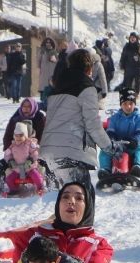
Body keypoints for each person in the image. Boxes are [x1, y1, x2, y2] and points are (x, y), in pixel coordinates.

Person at [40, 49, 117, 193]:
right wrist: (109, 147)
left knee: (65, 205)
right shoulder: (86, 87)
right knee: (84, 201)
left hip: (49, 151)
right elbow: (93, 124)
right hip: (72, 152)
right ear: (89, 68)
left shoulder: (58, 86)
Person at [100, 89, 140, 178]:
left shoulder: (139, 118)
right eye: (125, 104)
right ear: (121, 105)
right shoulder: (114, 118)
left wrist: (135, 140)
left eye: (131, 104)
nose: (128, 106)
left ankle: (137, 167)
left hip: (132, 145)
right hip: (117, 146)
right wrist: (112, 140)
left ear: (134, 104)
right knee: (104, 151)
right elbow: (110, 131)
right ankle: (105, 170)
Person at [3, 121, 44, 194]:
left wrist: (30, 160)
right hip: (17, 168)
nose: (18, 137)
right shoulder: (12, 146)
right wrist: (10, 161)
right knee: (9, 179)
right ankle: (14, 190)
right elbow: (7, 155)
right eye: (16, 135)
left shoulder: (29, 143)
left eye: (21, 135)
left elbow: (35, 152)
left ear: (25, 136)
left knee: (36, 176)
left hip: (29, 168)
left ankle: (40, 188)